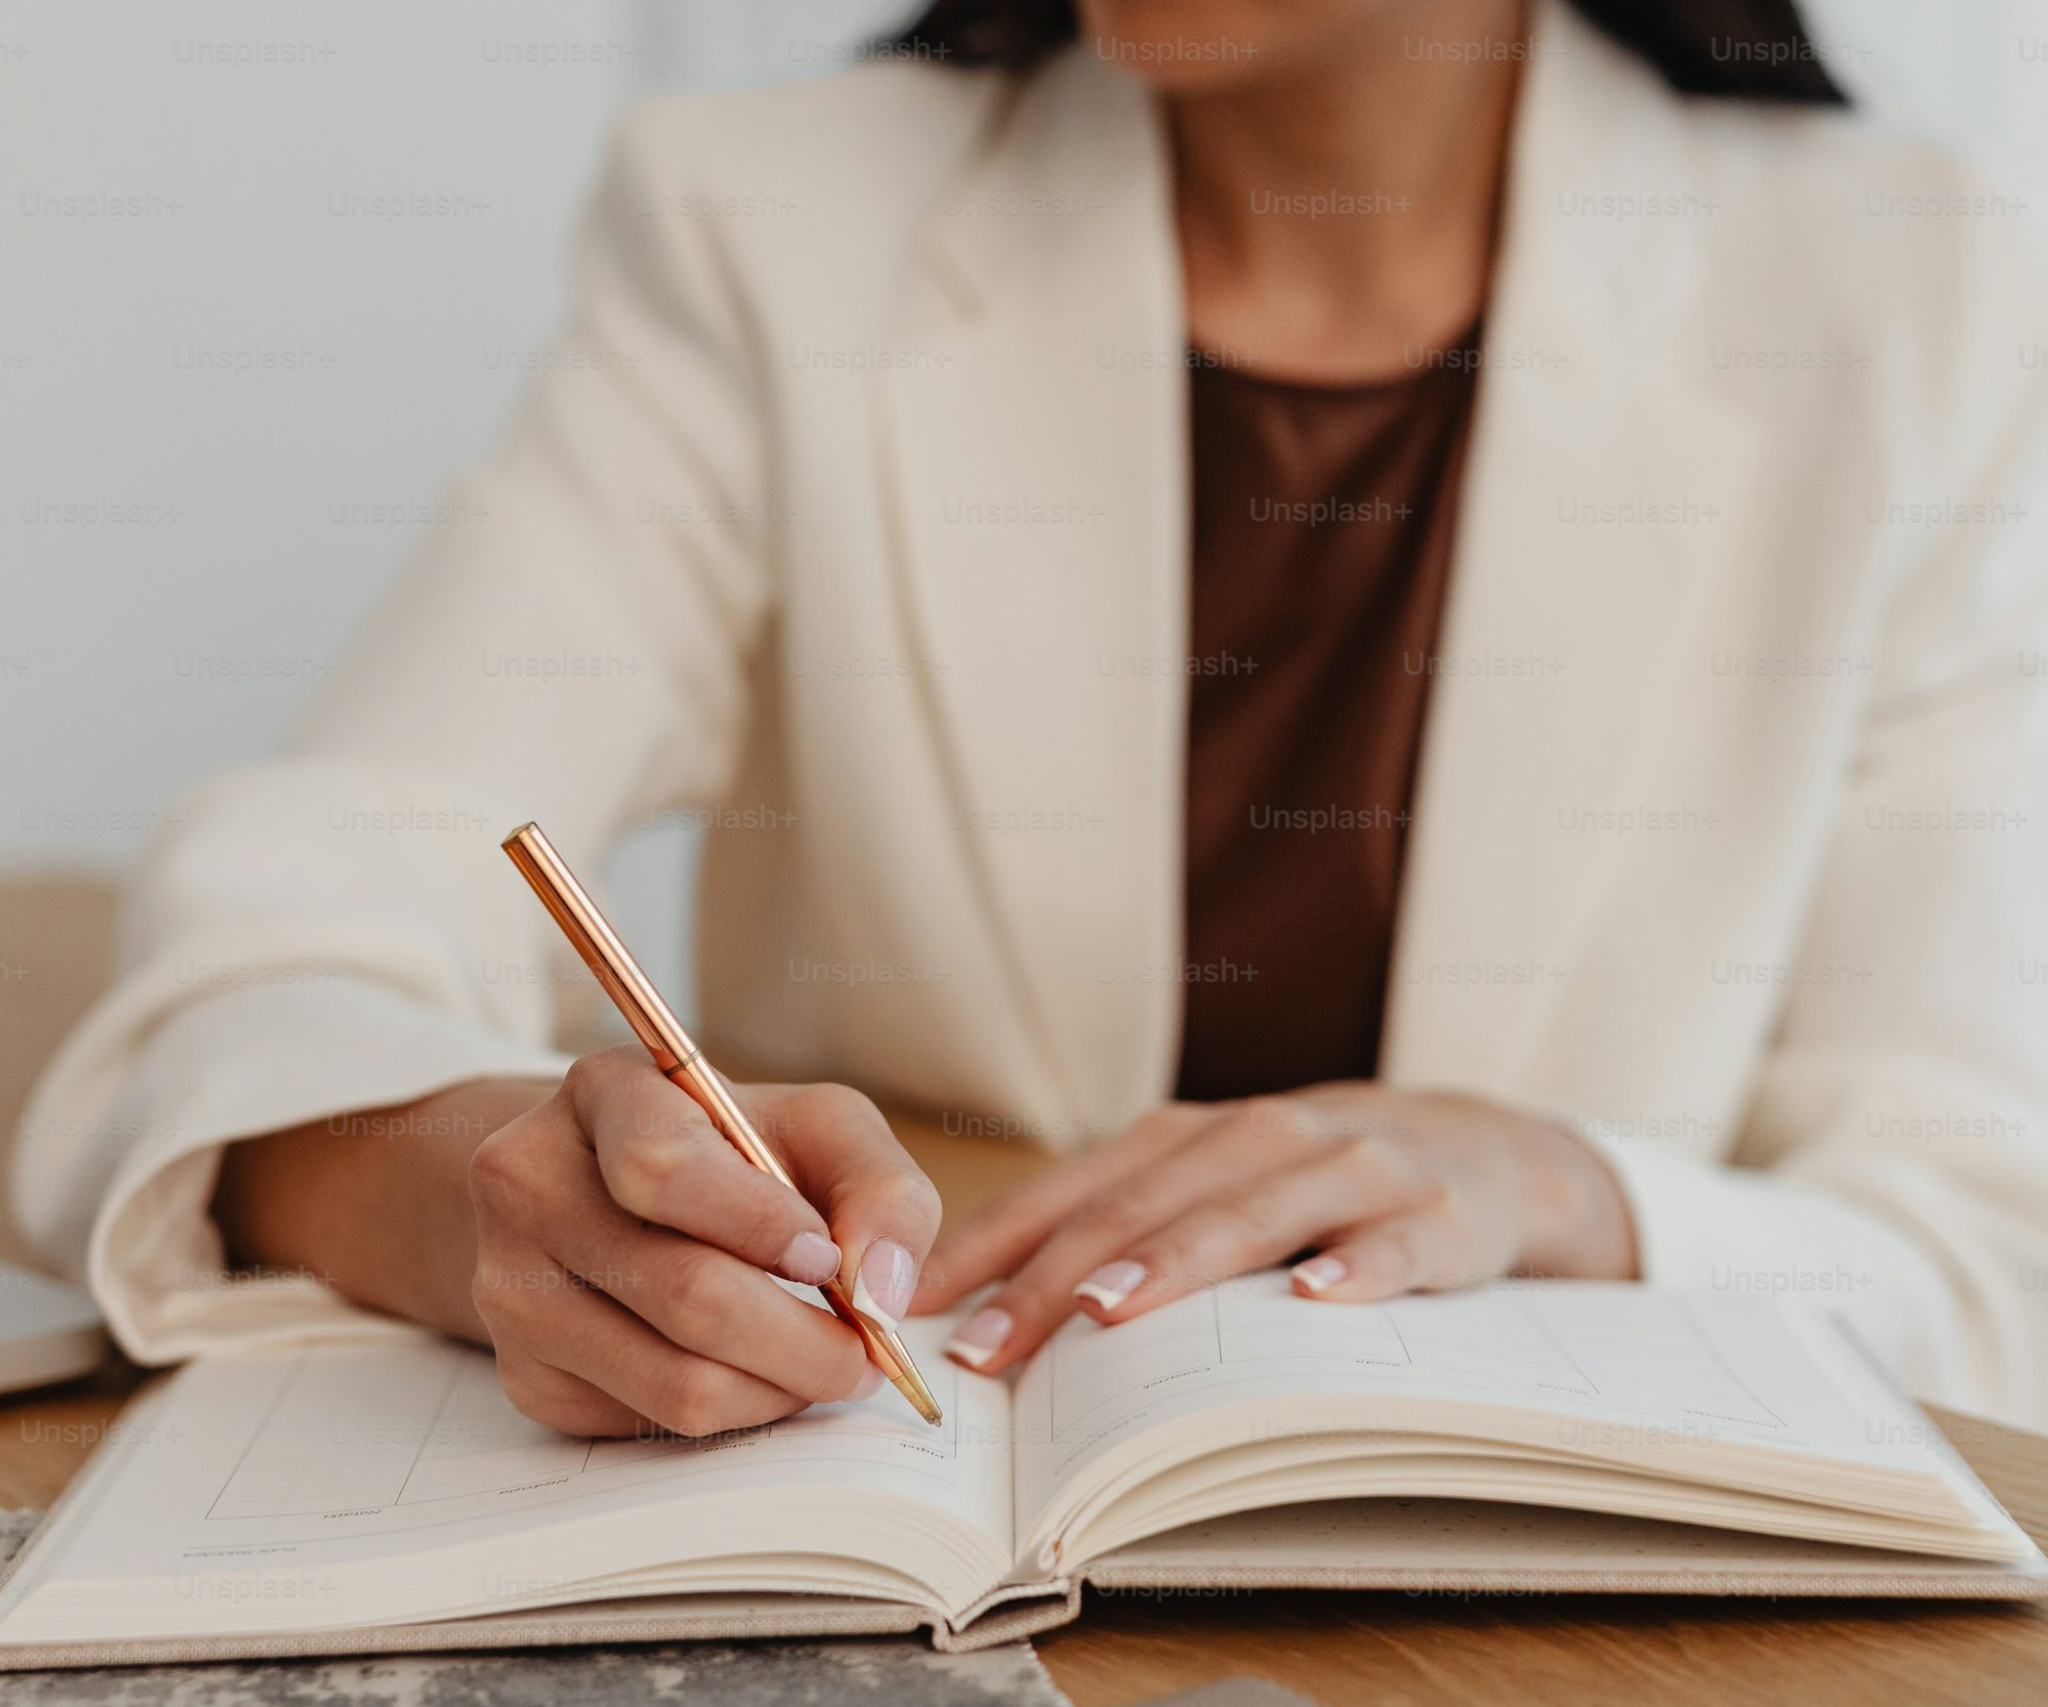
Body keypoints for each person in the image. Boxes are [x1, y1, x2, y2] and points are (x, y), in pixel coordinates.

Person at [18, 0, 2048, 1435]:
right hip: (889, 1546)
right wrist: (472, 1186)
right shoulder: (767, 224)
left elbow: (1987, 1243)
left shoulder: (1920, 302)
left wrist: (1560, 1190)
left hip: (1617, 1685)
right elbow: (290, 912)